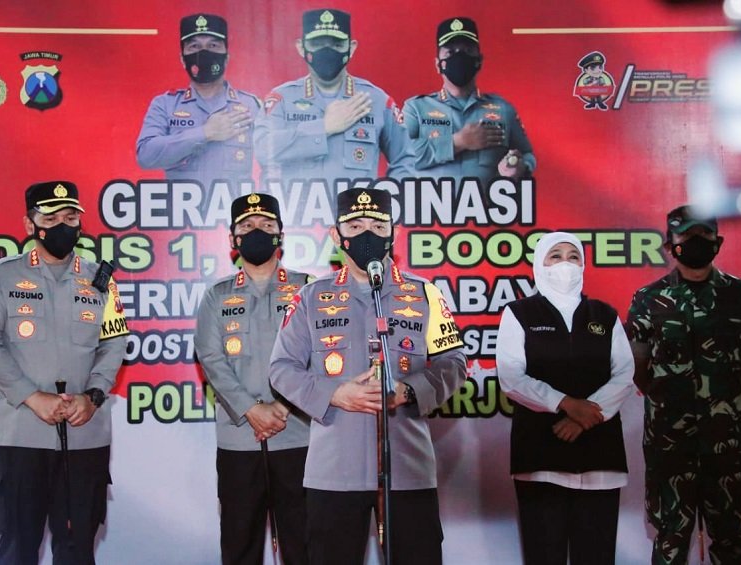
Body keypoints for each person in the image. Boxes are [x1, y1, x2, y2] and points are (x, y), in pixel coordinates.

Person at [269, 188, 467, 564]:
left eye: (377, 226)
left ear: (394, 232)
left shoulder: (425, 294)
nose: (367, 235)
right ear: (336, 234)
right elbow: (281, 369)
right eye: (355, 226)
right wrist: (334, 394)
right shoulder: (311, 297)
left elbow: (454, 362)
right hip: (334, 471)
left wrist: (409, 390)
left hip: (407, 469)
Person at [0, 181, 130, 565]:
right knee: (17, 550)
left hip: (83, 437)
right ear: (30, 225)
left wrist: (92, 396)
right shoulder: (2, 276)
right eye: (51, 218)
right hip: (19, 436)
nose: (63, 225)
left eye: (70, 217)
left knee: (77, 551)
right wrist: (31, 396)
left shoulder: (101, 280)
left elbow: (114, 343)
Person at [627, 205, 741, 565]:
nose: (697, 241)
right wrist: (665, 395)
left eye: (704, 234)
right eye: (687, 235)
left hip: (726, 437)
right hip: (670, 439)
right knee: (671, 538)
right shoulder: (648, 298)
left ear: (718, 241)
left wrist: (722, 392)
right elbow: (637, 362)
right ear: (670, 244)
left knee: (731, 537)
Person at [496, 232, 634, 565]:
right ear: (539, 264)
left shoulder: (604, 314)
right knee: (544, 555)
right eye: (555, 256)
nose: (565, 264)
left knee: (597, 556)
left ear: (583, 265)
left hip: (600, 455)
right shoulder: (519, 313)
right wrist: (566, 403)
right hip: (540, 457)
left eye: (573, 257)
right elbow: (512, 377)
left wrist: (585, 417)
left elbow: (624, 374)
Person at [194, 193, 311, 565]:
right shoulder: (216, 297)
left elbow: (321, 357)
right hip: (239, 440)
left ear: (281, 235)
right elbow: (211, 359)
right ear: (233, 238)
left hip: (299, 435)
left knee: (305, 546)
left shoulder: (308, 290)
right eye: (247, 225)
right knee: (240, 546)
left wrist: (283, 407)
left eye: (266, 224)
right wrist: (251, 410)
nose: (256, 231)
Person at [254, 8, 412, 190]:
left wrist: (386, 200)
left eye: (337, 45)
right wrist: (324, 127)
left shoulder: (377, 101)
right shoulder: (281, 99)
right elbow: (263, 150)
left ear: (351, 48)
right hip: (298, 208)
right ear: (301, 47)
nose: (327, 51)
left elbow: (406, 161)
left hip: (357, 208)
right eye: (317, 44)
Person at [402, 17, 535, 186]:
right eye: (450, 52)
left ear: (479, 60)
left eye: (468, 50)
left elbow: (527, 154)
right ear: (438, 64)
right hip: (433, 203)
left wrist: (520, 166)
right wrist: (458, 142)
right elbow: (401, 155)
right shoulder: (416, 109)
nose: (460, 57)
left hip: (488, 202)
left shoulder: (503, 109)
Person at [136, 13, 259, 187]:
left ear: (226, 57)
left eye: (213, 45)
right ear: (183, 59)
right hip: (182, 204)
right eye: (194, 46)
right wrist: (205, 132)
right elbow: (145, 156)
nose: (204, 52)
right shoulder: (165, 104)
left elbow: (273, 160)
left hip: (234, 204)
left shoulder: (250, 105)